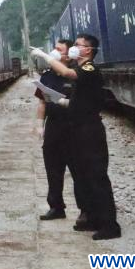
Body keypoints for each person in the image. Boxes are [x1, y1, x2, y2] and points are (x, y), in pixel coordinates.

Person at [31, 34, 121, 240]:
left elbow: (66, 73)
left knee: (97, 177)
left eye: (78, 45)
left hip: (89, 129)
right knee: (85, 176)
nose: (75, 48)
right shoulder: (80, 70)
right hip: (79, 128)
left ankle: (110, 225)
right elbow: (80, 100)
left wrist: (45, 56)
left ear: (88, 50)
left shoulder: (88, 69)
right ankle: (93, 219)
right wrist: (61, 102)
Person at [34, 39, 88, 224]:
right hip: (54, 127)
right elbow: (42, 101)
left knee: (78, 171)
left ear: (67, 54)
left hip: (74, 127)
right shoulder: (47, 76)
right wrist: (39, 124)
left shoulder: (75, 74)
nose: (54, 52)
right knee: (53, 169)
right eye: (54, 48)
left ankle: (85, 210)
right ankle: (56, 207)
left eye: (59, 49)